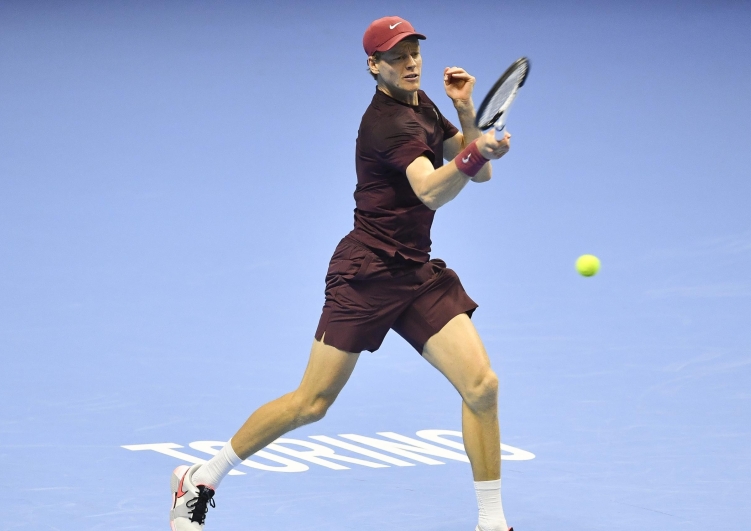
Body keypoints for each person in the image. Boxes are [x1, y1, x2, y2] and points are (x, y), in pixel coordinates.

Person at [169, 15, 514, 531]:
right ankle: (200, 477)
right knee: (311, 403)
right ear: (374, 66)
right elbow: (431, 189)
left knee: (482, 386)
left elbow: (478, 170)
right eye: (398, 56)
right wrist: (472, 152)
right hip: (366, 273)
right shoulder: (387, 123)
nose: (412, 62)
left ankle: (491, 522)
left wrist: (467, 115)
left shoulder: (422, 103)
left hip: (416, 272)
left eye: (415, 51)